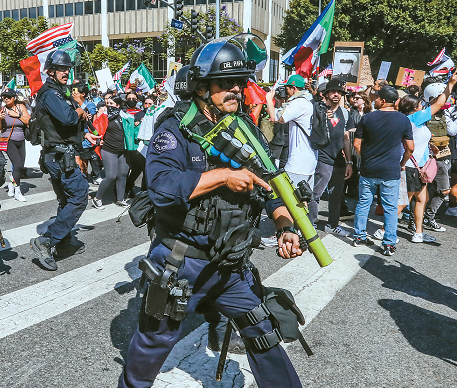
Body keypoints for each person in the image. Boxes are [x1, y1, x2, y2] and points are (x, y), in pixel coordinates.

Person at [118, 40, 304, 388]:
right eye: (225, 84)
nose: (236, 89)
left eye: (240, 83)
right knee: (153, 342)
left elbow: (269, 186)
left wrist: (283, 226)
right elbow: (161, 186)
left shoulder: (245, 128)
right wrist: (221, 175)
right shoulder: (176, 131)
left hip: (228, 265)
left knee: (262, 329)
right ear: (202, 87)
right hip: (181, 262)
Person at [30, 49, 100, 271]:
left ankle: (64, 242)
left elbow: (61, 127)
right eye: (61, 69)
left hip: (61, 153)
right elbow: (68, 118)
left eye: (67, 68)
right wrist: (80, 109)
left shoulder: (60, 92)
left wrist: (84, 134)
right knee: (79, 197)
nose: (65, 72)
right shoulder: (51, 93)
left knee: (66, 200)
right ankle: (47, 241)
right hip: (60, 157)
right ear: (50, 71)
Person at [353, 85, 414, 256]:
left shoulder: (367, 118)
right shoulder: (403, 120)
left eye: (377, 97)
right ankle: (389, 243)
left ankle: (359, 236)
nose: (375, 100)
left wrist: (363, 158)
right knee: (390, 207)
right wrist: (402, 163)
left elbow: (357, 144)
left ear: (384, 100)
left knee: (364, 203)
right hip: (391, 170)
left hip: (368, 169)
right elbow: (410, 148)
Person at [397, 73, 457, 243]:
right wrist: (451, 84)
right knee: (403, 203)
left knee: (422, 199)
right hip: (411, 168)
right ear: (414, 108)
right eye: (420, 105)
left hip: (416, 167)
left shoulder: (410, 119)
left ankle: (418, 232)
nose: (422, 106)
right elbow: (439, 103)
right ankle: (385, 231)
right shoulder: (415, 118)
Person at [308, 78, 354, 236]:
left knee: (336, 194)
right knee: (316, 194)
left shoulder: (345, 113)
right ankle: (311, 224)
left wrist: (349, 161)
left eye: (339, 92)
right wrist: (320, 118)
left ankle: (332, 224)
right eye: (333, 91)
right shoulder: (315, 109)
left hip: (339, 161)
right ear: (325, 94)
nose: (337, 94)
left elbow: (346, 138)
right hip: (322, 158)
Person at [265, 74, 317, 189]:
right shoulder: (308, 101)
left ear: (294, 88)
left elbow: (274, 117)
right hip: (309, 162)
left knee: (286, 199)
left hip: (298, 165)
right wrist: (279, 101)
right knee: (303, 201)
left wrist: (269, 99)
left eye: (287, 88)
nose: (286, 91)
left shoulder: (298, 103)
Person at [92, 96, 131, 209]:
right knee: (111, 176)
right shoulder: (104, 116)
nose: (108, 105)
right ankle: (97, 198)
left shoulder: (125, 116)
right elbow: (95, 129)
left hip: (123, 151)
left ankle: (120, 199)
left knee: (122, 175)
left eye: (111, 103)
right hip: (109, 150)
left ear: (118, 105)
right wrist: (99, 139)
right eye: (107, 103)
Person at [0, 88, 30, 201]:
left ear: (14, 98)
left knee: (20, 166)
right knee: (16, 164)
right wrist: (0, 119)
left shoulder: (20, 107)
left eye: (8, 96)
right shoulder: (2, 109)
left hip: (21, 139)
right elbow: (0, 128)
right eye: (4, 97)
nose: (6, 99)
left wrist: (17, 115)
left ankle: (11, 184)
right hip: (8, 140)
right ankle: (18, 191)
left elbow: (28, 121)